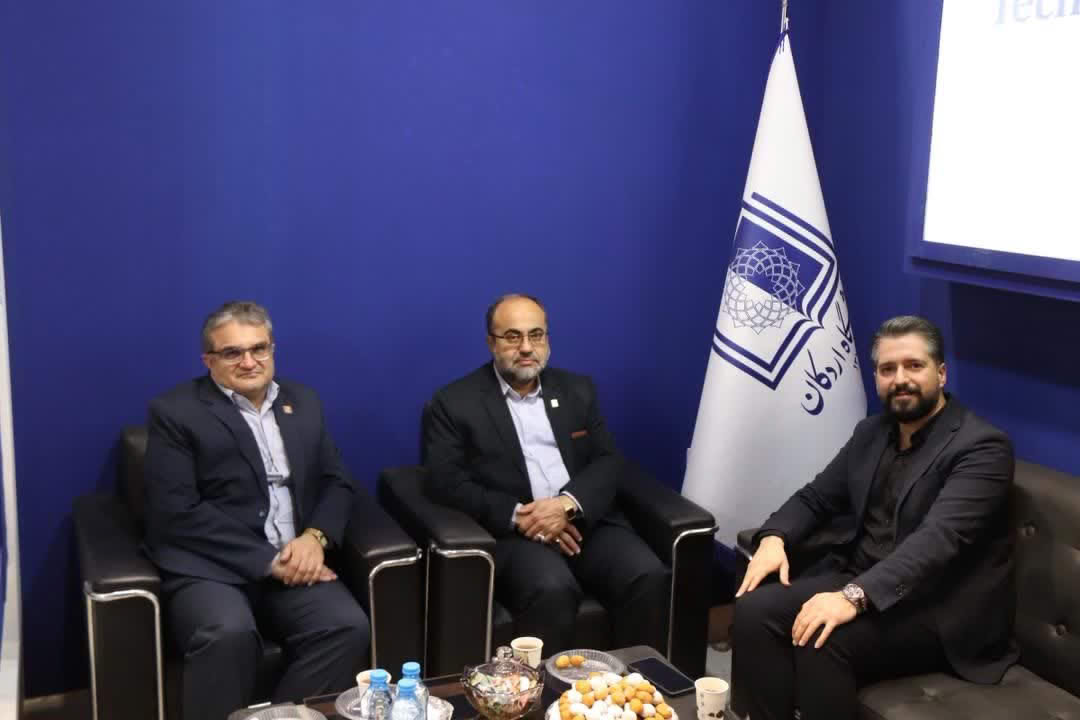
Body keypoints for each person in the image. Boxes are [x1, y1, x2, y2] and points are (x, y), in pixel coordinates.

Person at [732, 315, 1017, 720]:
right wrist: (773, 538)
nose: (900, 379)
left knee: (822, 637)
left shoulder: (983, 447)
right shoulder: (872, 432)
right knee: (753, 610)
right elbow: (816, 498)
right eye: (887, 369)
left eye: (914, 366)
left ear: (941, 373)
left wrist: (852, 597)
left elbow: (938, 539)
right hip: (863, 578)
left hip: (938, 608)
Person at [143, 301, 369, 720]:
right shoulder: (175, 413)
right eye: (232, 352)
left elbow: (336, 481)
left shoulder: (303, 401)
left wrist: (314, 538)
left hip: (295, 559)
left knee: (346, 626)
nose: (249, 362)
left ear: (272, 349)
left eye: (259, 349)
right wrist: (269, 561)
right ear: (208, 360)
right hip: (211, 568)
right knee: (227, 634)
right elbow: (176, 511)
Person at [424, 293, 669, 652]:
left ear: (547, 338)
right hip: (516, 535)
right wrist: (522, 517)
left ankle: (634, 681)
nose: (526, 347)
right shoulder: (454, 402)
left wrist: (566, 506)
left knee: (645, 574)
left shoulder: (577, 390)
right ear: (491, 343)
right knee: (552, 589)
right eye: (513, 336)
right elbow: (446, 482)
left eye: (536, 335)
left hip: (583, 521)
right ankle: (546, 688)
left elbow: (607, 459)